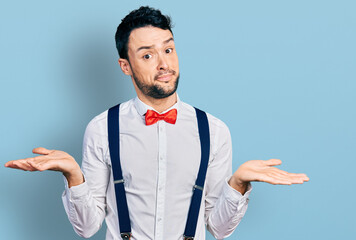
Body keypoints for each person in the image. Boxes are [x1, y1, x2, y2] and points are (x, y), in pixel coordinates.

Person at [4, 6, 309, 240]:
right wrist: (73, 175)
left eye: (168, 49)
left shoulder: (214, 130)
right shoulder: (101, 128)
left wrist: (239, 184)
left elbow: (219, 227)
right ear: (125, 66)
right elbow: (86, 228)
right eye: (147, 55)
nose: (164, 63)